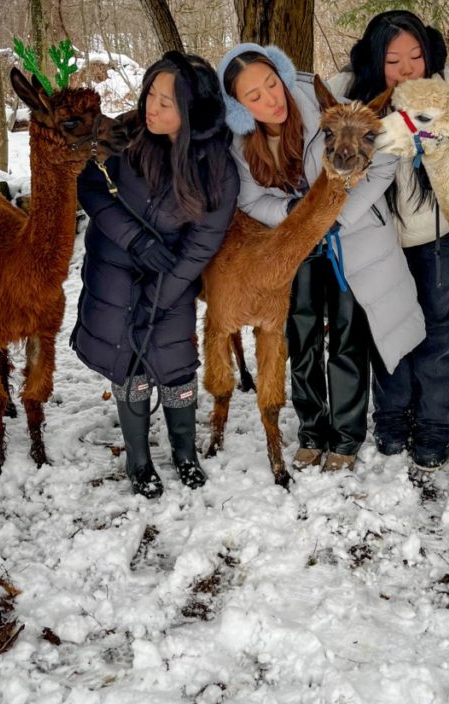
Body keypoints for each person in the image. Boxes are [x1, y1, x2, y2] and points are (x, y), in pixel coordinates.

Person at [217, 43, 425, 473]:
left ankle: (347, 438)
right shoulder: (242, 143)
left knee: (349, 337)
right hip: (296, 245)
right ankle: (312, 431)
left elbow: (382, 163)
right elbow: (250, 198)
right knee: (302, 335)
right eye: (253, 96)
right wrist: (295, 216)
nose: (270, 99)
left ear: (282, 73)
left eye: (271, 84)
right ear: (238, 106)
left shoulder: (325, 103)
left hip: (353, 236)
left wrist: (334, 215)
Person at [328, 10, 449, 472]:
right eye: (393, 60)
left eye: (415, 56)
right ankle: (391, 416)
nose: (408, 68)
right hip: (376, 239)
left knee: (440, 333)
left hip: (438, 237)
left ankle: (434, 424)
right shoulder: (350, 92)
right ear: (374, 61)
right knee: (388, 328)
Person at [71, 52, 239, 497]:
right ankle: (138, 459)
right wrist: (134, 240)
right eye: (151, 94)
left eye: (167, 101)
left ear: (193, 109)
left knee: (175, 364)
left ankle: (184, 453)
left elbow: (203, 242)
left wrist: (161, 296)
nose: (152, 106)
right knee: (129, 363)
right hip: (114, 274)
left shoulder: (215, 165)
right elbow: (90, 186)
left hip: (172, 281)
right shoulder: (125, 136)